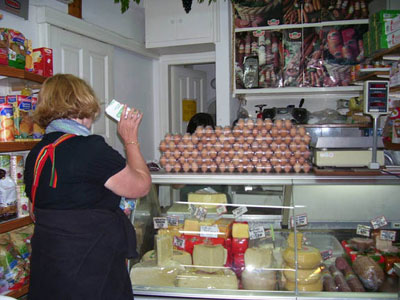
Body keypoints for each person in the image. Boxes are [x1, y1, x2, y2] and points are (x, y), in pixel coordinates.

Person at [24, 74, 152, 300]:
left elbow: (35, 209)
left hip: (50, 262)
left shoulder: (37, 152)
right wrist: (130, 139)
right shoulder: (90, 148)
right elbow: (140, 186)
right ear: (84, 103)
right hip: (90, 264)